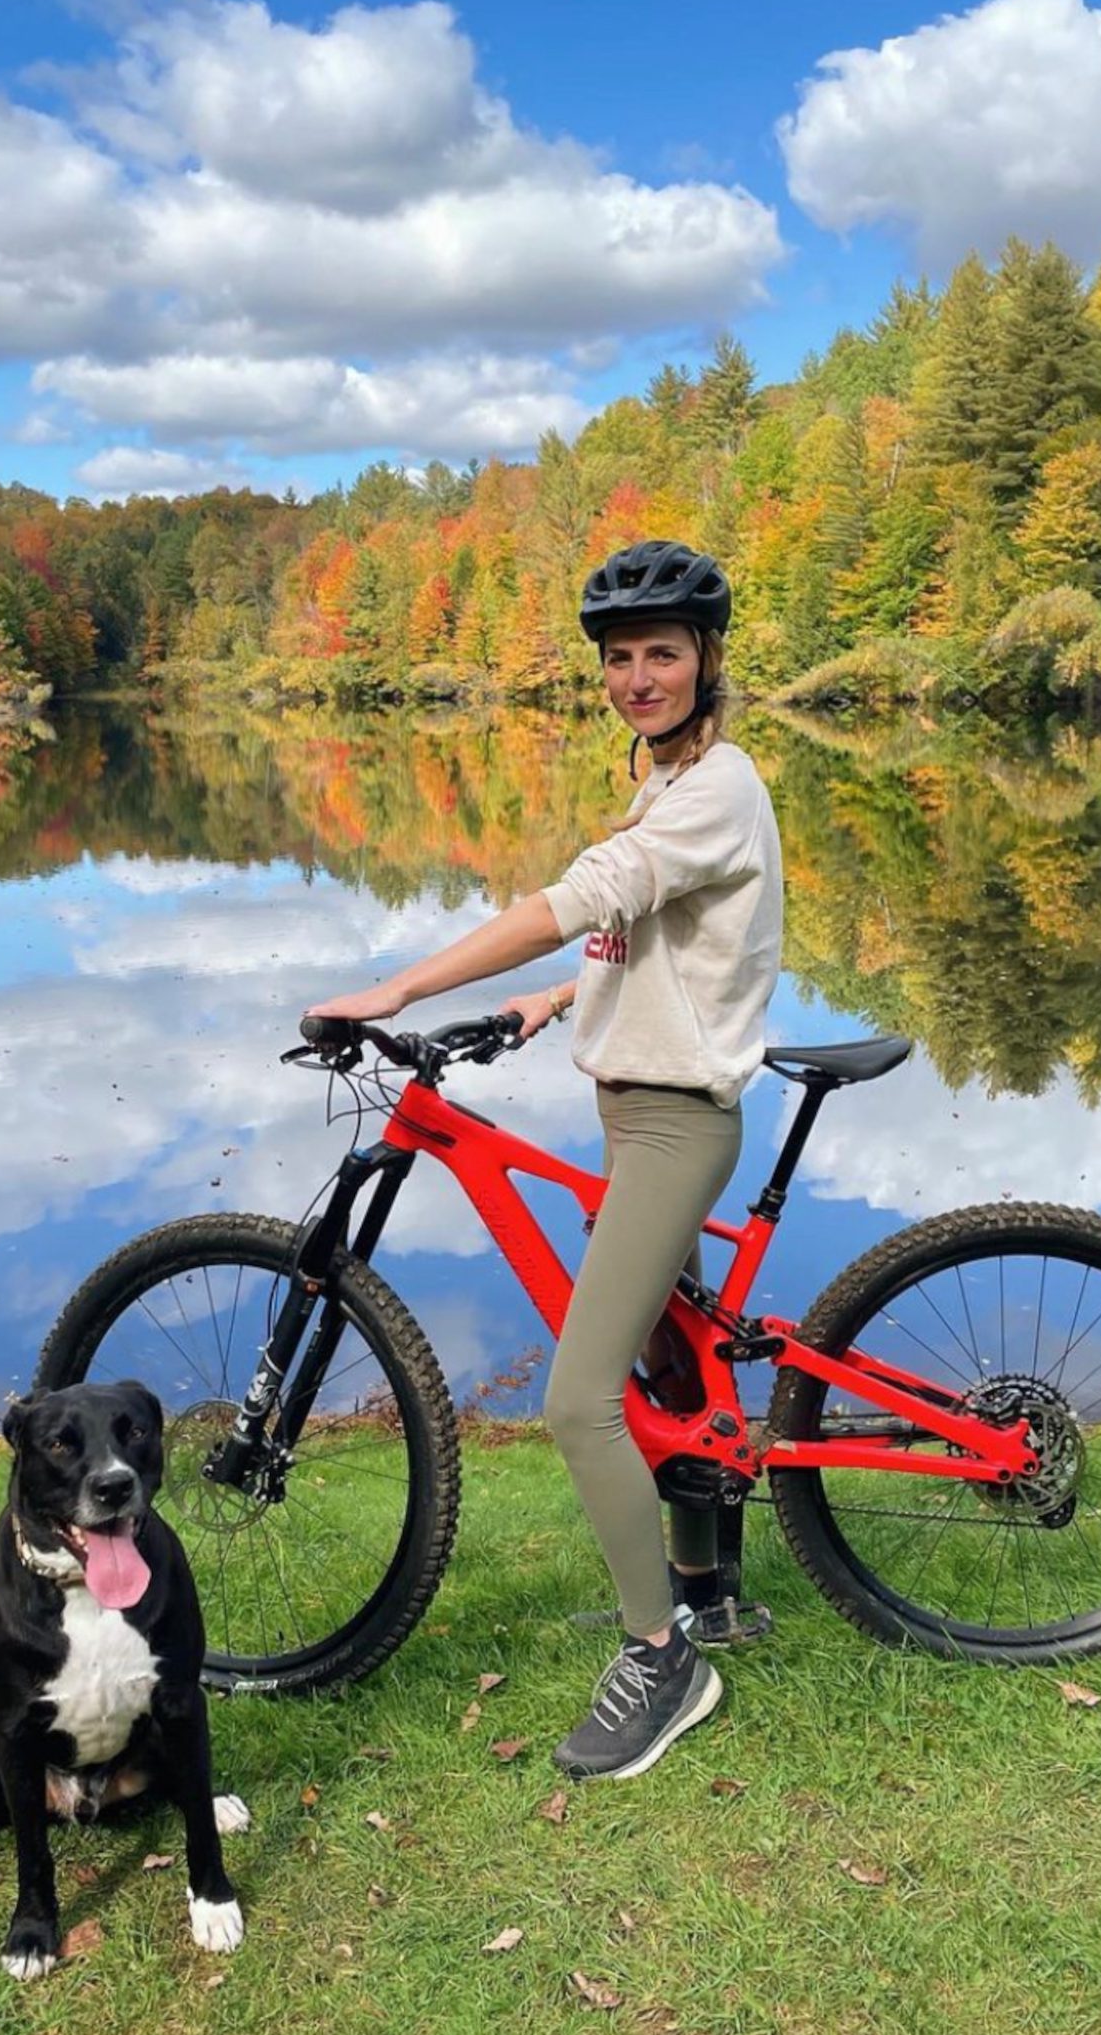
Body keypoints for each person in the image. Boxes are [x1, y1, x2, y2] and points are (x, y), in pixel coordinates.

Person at [307, 539, 784, 1780]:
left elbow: (579, 900)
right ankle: (703, 1591)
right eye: (621, 659)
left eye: (662, 654)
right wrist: (554, 1003)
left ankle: (664, 1661)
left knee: (579, 1402)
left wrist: (398, 987)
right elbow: (663, 940)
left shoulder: (716, 788)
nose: (638, 678)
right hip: (641, 1111)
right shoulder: (675, 782)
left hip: (676, 1124)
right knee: (670, 1364)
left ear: (706, 659)